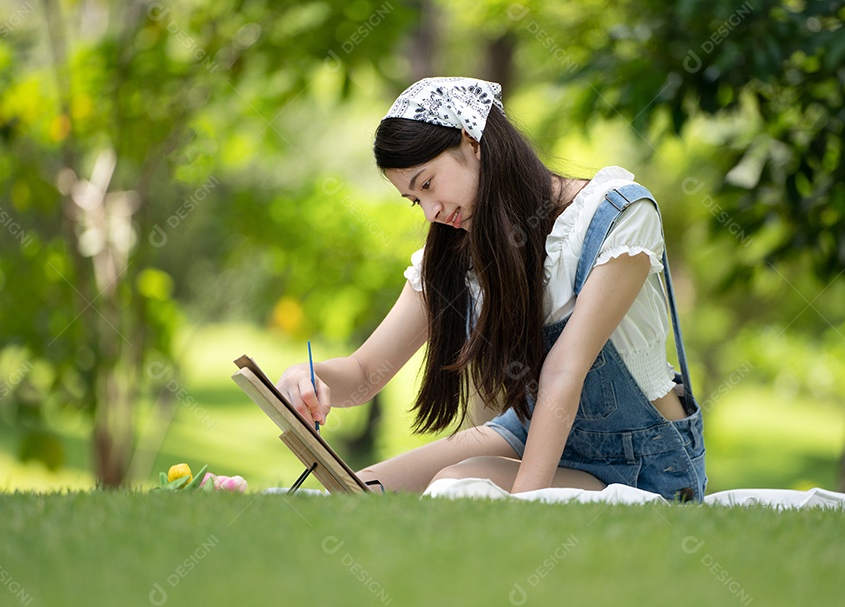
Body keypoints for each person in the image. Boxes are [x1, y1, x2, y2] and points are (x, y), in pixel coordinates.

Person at [277, 76, 706, 500]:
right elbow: (365, 374)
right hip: (529, 433)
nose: (430, 212)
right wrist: (309, 377)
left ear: (473, 141)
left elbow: (564, 371)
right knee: (362, 489)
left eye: (427, 184)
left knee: (460, 485)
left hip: (646, 462)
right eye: (415, 200)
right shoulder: (455, 253)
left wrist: (521, 508)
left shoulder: (615, 214)